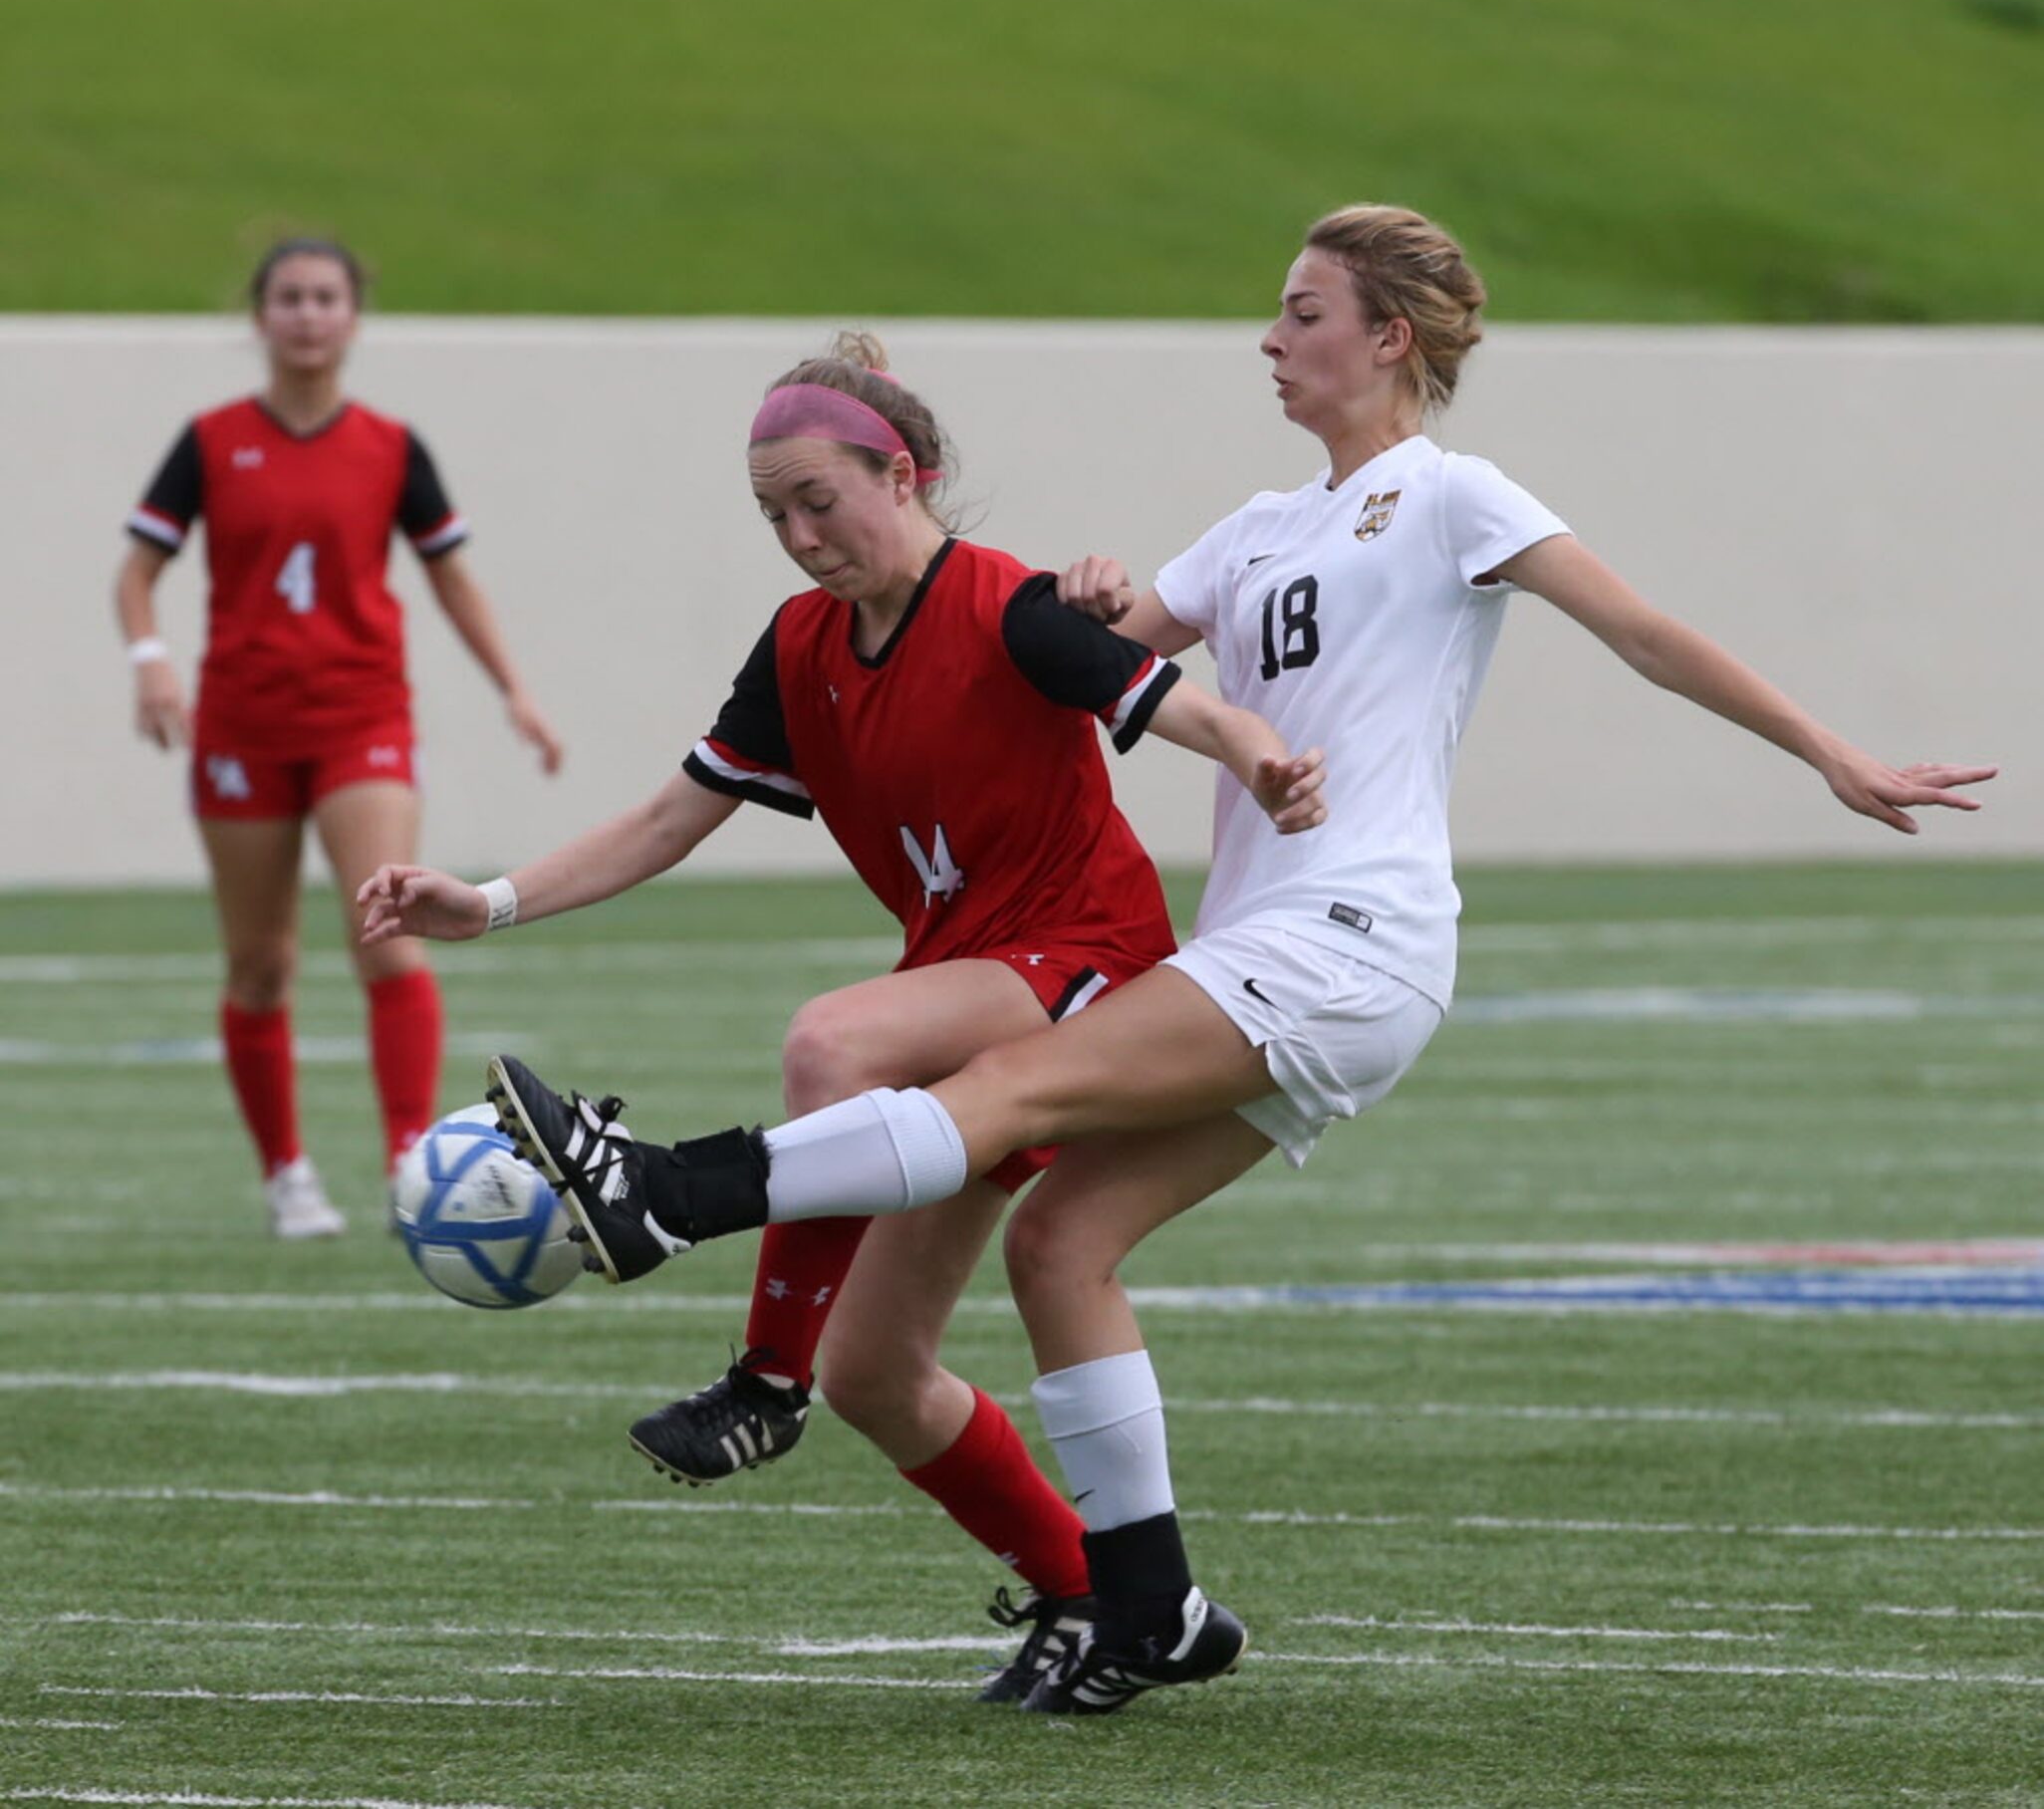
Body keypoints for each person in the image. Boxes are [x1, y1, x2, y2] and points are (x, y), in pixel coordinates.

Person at [475, 205, 1996, 1712]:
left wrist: (1830, 753)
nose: (1271, 340)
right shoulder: (1261, 529)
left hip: (1353, 938)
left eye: (1304, 313)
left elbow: (1646, 633)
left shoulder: (1452, 496)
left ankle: (664, 1191)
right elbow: (1055, 653)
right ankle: (1151, 1607)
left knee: (1002, 1091)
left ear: (1388, 337)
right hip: (1271, 952)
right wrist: (1078, 598)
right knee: (1059, 1244)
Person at [357, 333, 1326, 1701]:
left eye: (822, 500)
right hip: (963, 1004)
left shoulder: (1011, 605)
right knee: (881, 1371)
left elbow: (1186, 711)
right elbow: (666, 817)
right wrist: (490, 901)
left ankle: (760, 1379)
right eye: (773, 515)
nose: (802, 536)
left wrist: (1266, 758)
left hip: (1086, 967)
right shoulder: (804, 646)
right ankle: (1106, 1603)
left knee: (834, 1038)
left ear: (903, 472)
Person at [116, 238, 563, 1239]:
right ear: (262, 316)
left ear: (353, 316)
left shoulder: (392, 449)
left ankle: (413, 1164)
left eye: (326, 297)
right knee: (260, 964)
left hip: (361, 716)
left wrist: (513, 691)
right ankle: (288, 1178)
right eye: (289, 297)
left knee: (390, 934)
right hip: (241, 725)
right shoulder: (211, 439)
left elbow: (451, 576)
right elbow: (136, 570)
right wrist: (149, 656)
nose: (308, 314)